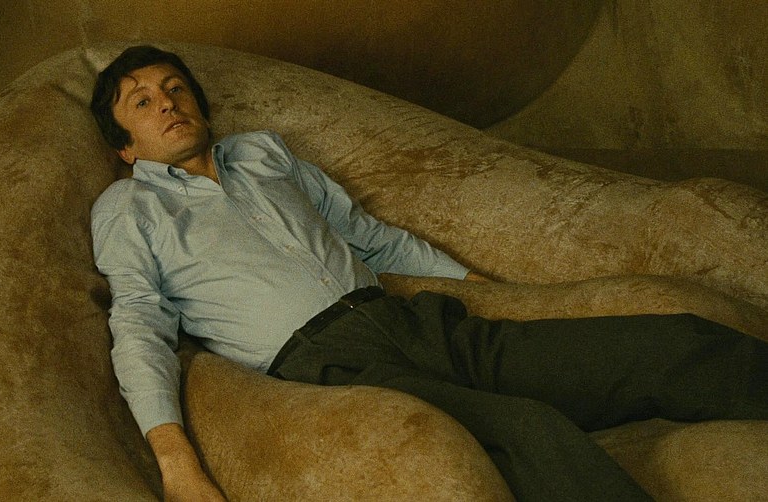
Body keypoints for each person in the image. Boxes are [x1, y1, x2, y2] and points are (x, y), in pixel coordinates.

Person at [90, 45, 768, 502]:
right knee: (527, 432)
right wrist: (175, 461)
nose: (167, 103)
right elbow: (139, 321)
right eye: (141, 102)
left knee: (669, 341)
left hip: (413, 322)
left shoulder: (263, 154)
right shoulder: (130, 208)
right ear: (125, 148)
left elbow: (370, 238)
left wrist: (483, 289)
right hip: (330, 365)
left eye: (175, 88)